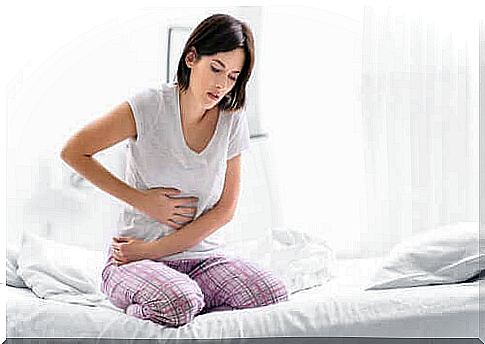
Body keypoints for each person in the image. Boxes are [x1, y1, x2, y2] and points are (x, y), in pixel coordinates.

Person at [60, 13, 288, 327]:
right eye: (216, 68)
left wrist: (155, 248)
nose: (221, 84)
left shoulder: (232, 118)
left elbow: (225, 209)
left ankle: (190, 303)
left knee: (272, 293)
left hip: (200, 259)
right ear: (192, 57)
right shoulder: (148, 106)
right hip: (133, 259)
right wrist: (143, 202)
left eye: (233, 76)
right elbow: (74, 151)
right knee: (179, 302)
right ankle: (162, 305)